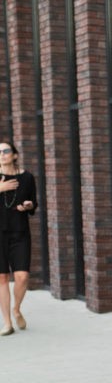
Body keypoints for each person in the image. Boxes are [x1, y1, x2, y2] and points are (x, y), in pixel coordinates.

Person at [0, 140, 37, 336]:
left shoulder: (27, 177)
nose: (2, 155)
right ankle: (7, 323)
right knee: (2, 277)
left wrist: (28, 206)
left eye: (6, 151)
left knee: (22, 276)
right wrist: (1, 189)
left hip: (19, 232)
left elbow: (33, 203)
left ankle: (17, 309)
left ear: (14, 155)